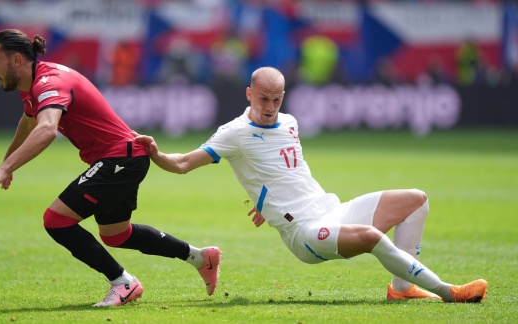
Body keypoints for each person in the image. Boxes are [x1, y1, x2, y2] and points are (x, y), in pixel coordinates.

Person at [135, 66, 488, 303]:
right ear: (248, 94)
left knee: (416, 200)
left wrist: (264, 204)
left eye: (277, 99)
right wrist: (156, 153)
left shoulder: (289, 122)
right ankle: (448, 292)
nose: (270, 107)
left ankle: (402, 289)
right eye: (263, 99)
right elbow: (183, 164)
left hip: (331, 209)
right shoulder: (234, 133)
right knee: (371, 238)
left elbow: (283, 175)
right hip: (305, 233)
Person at [0, 29, 221, 307]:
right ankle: (201, 257)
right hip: (124, 158)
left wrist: (4, 169)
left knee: (56, 220)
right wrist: (7, 163)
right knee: (117, 235)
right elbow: (29, 121)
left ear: (16, 60)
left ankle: (123, 283)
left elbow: (46, 129)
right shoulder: (32, 86)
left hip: (119, 159)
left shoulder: (48, 82)